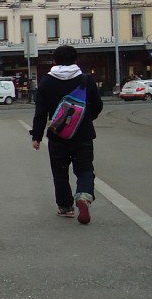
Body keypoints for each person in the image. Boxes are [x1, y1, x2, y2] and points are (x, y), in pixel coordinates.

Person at [31, 44, 103, 224]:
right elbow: (97, 105)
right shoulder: (86, 79)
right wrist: (85, 119)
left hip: (57, 135)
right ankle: (84, 196)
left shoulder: (46, 81)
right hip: (83, 134)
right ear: (75, 60)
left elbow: (41, 111)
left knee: (60, 172)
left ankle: (65, 207)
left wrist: (36, 136)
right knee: (85, 169)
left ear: (54, 61)